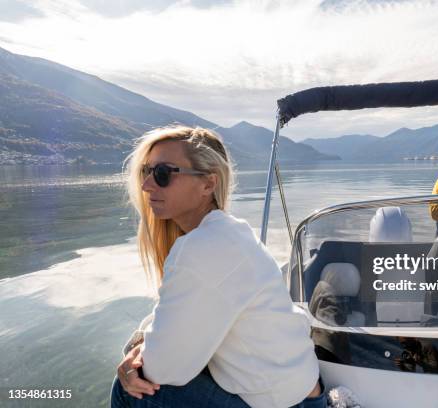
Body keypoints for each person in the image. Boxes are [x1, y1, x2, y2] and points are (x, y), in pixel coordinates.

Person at [110, 126, 325, 408]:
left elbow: (160, 370)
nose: (147, 185)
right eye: (145, 172)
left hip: (287, 406)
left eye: (162, 173)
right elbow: (174, 314)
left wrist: (137, 356)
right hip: (305, 391)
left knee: (129, 387)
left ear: (208, 184)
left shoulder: (202, 247)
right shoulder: (231, 233)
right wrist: (144, 342)